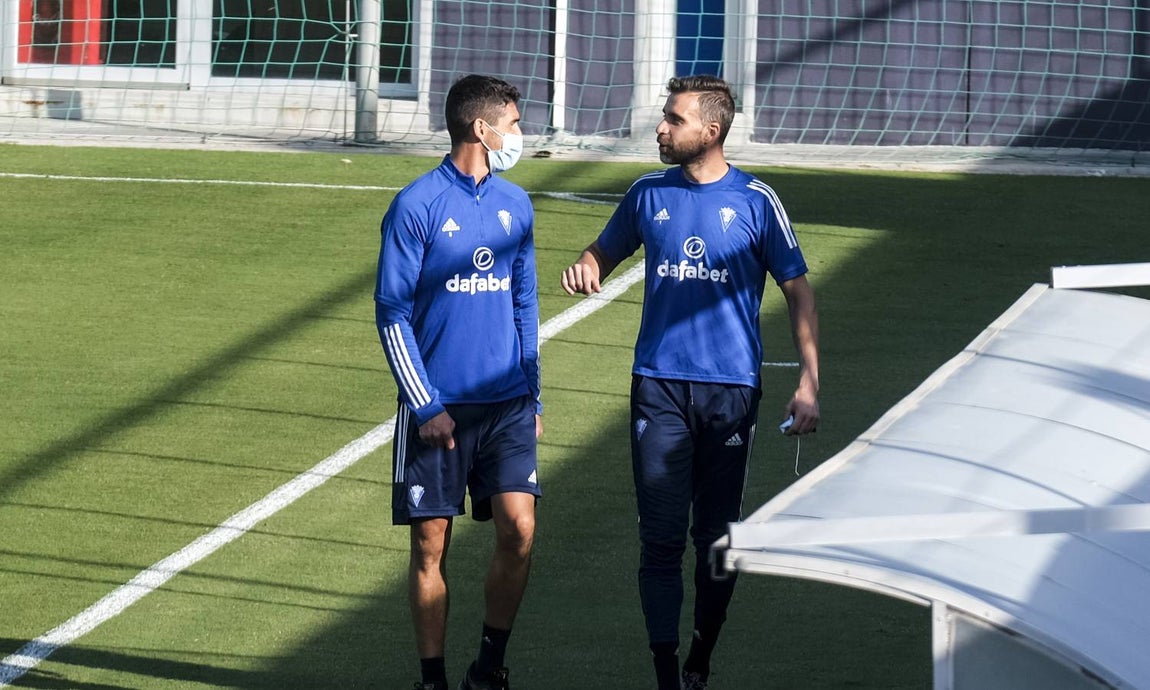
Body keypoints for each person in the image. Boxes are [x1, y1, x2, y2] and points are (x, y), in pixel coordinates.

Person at [560, 75, 820, 690]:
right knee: (659, 536)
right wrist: (587, 265)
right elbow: (603, 250)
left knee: (716, 538)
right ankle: (665, 675)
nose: (661, 127)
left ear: (711, 130)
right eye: (664, 116)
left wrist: (809, 381)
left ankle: (700, 659)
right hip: (658, 385)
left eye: (674, 119)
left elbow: (799, 291)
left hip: (731, 391)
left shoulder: (757, 202)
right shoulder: (648, 194)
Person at [375, 74, 542, 690]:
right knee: (430, 549)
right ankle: (432, 678)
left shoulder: (516, 204)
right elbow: (391, 312)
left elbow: (524, 301)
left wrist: (534, 394)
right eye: (516, 123)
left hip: (507, 407)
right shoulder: (415, 206)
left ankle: (489, 668)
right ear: (483, 128)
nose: (519, 134)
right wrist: (425, 405)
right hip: (439, 411)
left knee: (519, 531)